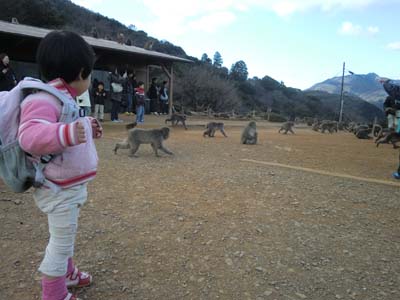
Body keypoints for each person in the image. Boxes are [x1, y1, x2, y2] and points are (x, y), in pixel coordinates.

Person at [17, 31, 102, 300]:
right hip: (57, 190)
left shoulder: (61, 97)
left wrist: (86, 126)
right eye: (89, 75)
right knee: (61, 241)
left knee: (67, 236)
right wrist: (65, 134)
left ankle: (68, 274)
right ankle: (54, 294)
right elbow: (29, 136)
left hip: (67, 187)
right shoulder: (43, 98)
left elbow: (63, 125)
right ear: (80, 72)